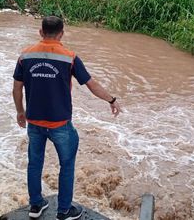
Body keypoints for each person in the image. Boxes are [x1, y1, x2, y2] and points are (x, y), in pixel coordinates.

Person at [12, 16, 122, 220]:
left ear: (40, 32)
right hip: (60, 123)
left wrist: (20, 112)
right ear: (61, 33)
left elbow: (17, 88)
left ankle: (35, 206)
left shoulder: (25, 56)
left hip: (34, 122)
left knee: (34, 164)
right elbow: (91, 84)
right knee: (67, 165)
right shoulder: (69, 57)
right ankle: (63, 211)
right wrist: (111, 100)